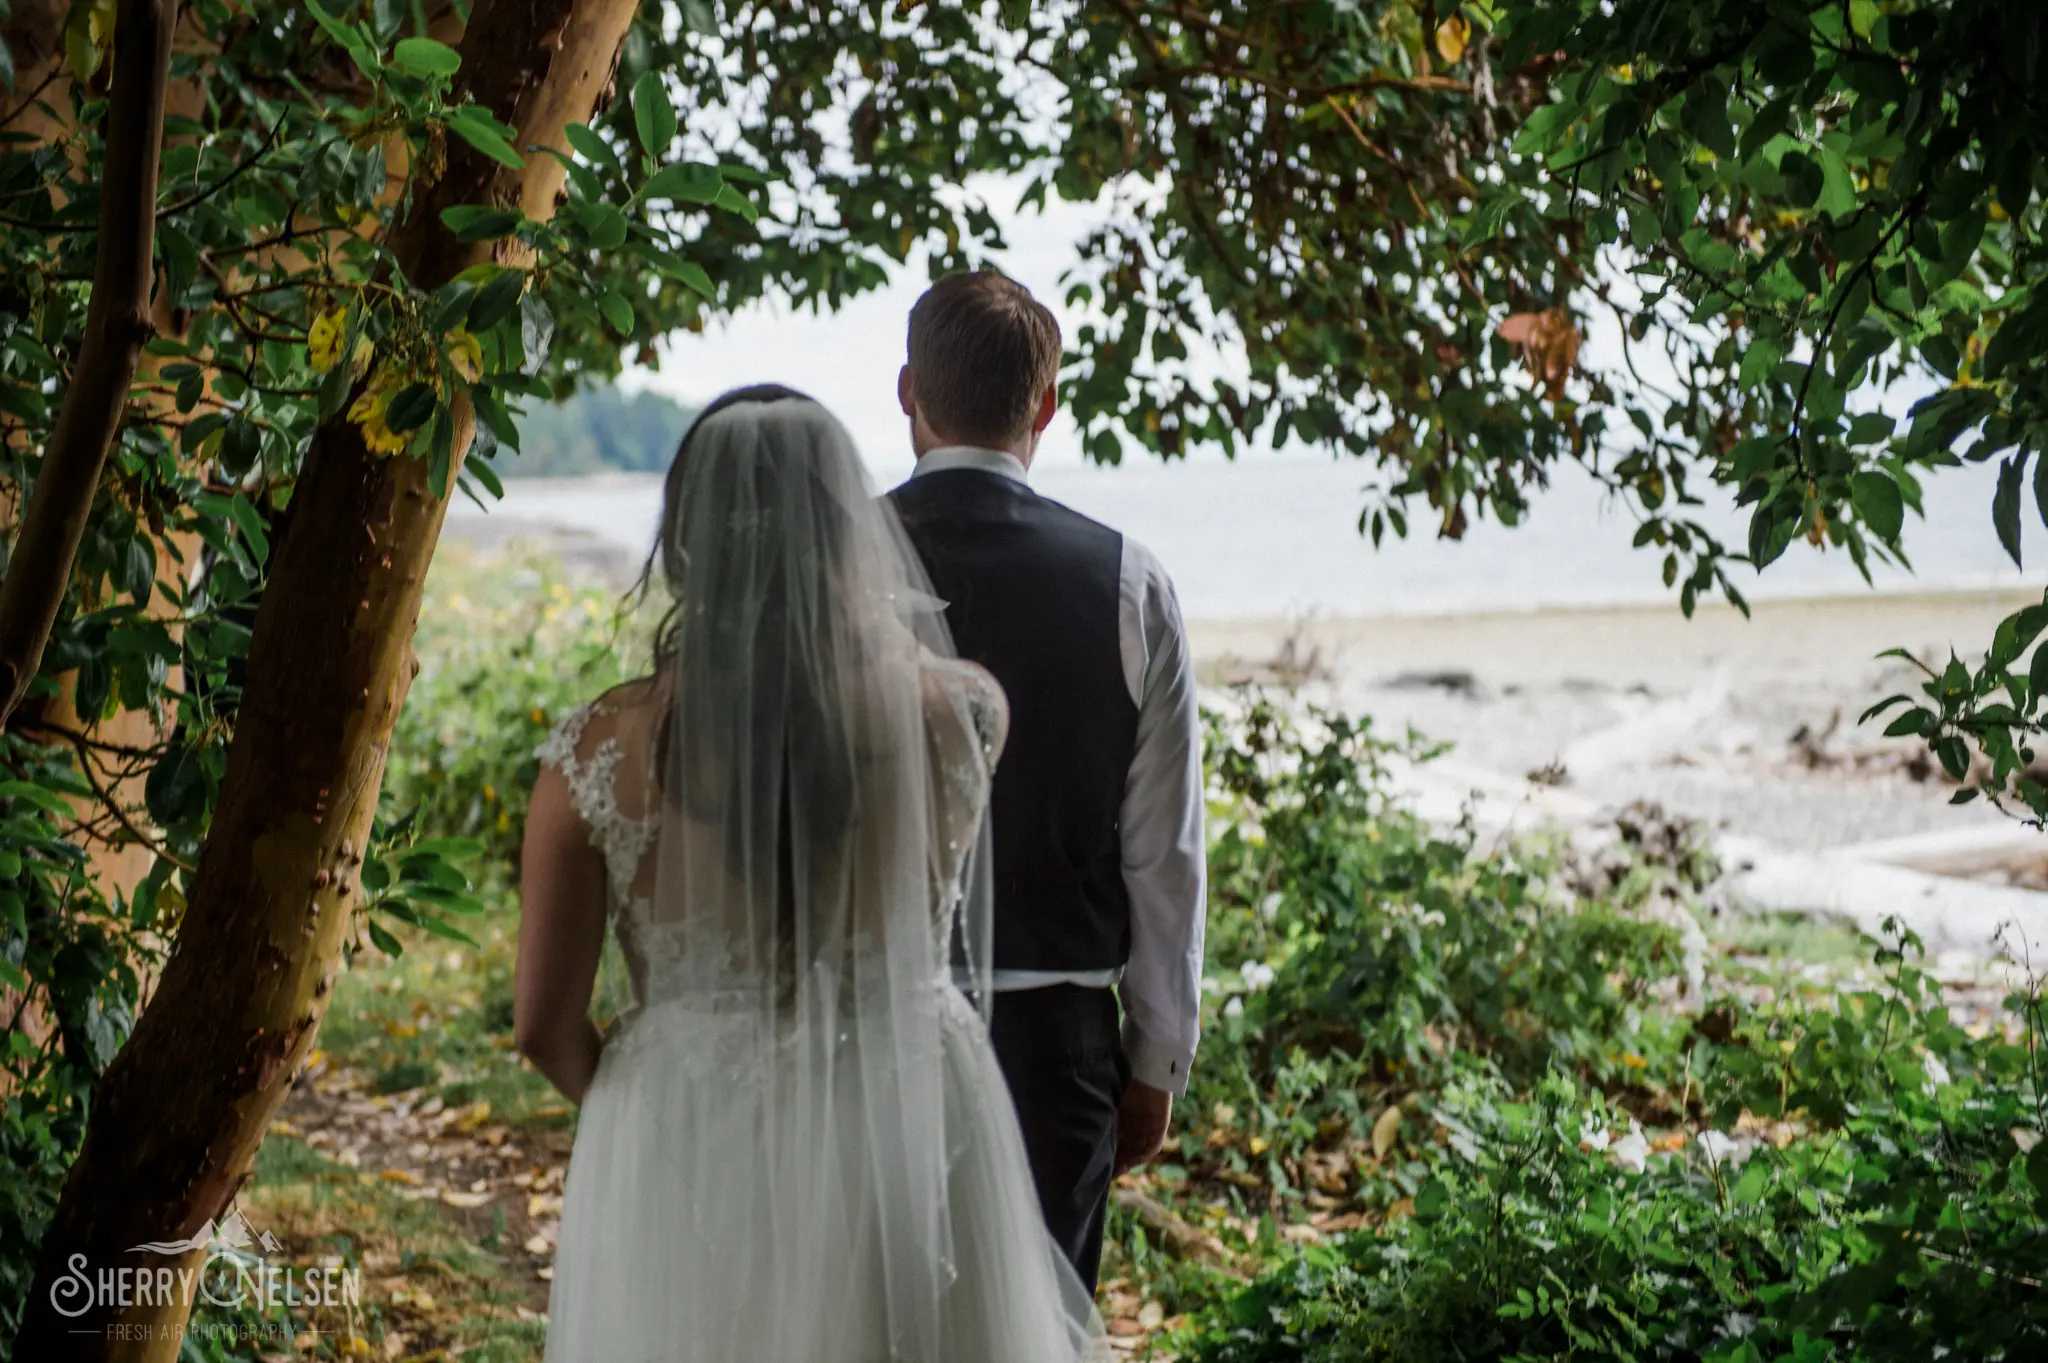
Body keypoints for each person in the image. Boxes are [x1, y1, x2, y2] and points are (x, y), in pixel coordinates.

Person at [515, 386, 1107, 1361]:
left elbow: (541, 1025)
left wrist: (656, 1099)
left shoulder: (596, 752)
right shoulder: (961, 713)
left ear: (688, 541)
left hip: (695, 1129)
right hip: (906, 1116)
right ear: (850, 531)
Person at [888, 272, 1207, 1292]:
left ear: (907, 392)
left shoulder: (823, 569)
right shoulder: (1128, 581)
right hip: (1051, 1043)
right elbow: (1163, 852)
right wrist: (1157, 1057)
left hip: (861, 1027)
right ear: (1046, 406)